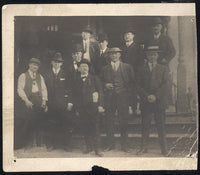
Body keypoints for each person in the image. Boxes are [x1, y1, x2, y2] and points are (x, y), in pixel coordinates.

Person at [100, 47, 136, 152]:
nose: (114, 56)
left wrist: (132, 103)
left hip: (123, 98)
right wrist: (105, 85)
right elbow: (99, 82)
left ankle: (125, 145)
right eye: (112, 54)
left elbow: (132, 84)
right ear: (109, 56)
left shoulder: (127, 67)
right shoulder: (105, 69)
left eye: (116, 54)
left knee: (123, 121)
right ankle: (110, 144)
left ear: (120, 55)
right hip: (109, 98)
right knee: (109, 121)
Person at [136, 45, 169, 156]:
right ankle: (143, 148)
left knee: (161, 126)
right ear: (146, 55)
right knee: (145, 126)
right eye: (150, 54)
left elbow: (166, 85)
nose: (152, 56)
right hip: (146, 102)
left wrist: (156, 96)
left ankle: (164, 149)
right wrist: (147, 96)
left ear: (158, 55)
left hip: (159, 102)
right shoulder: (141, 68)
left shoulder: (164, 68)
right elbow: (138, 85)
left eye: (154, 54)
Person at [72, 59, 104, 156]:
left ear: (89, 68)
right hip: (82, 108)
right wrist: (77, 108)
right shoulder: (76, 80)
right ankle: (88, 147)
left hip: (93, 108)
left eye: (86, 66)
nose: (84, 68)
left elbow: (100, 92)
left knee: (95, 128)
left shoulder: (95, 78)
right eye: (82, 66)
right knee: (85, 128)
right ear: (79, 69)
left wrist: (100, 105)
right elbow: (75, 95)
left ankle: (97, 149)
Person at [15, 58, 48, 149]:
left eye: (36, 65)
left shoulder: (40, 76)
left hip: (38, 99)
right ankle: (29, 142)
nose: (35, 67)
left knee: (39, 119)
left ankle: (39, 142)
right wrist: (26, 100)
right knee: (28, 120)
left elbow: (44, 89)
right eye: (33, 65)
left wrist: (44, 101)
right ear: (29, 65)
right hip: (28, 100)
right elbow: (20, 89)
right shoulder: (23, 76)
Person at [44, 52, 73, 151]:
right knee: (51, 124)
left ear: (62, 63)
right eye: (55, 62)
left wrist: (69, 102)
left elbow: (70, 88)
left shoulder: (66, 74)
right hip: (51, 104)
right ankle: (51, 145)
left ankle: (67, 145)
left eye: (59, 62)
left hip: (63, 104)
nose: (57, 64)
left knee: (65, 123)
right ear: (51, 62)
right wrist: (45, 103)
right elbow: (43, 89)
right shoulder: (46, 74)